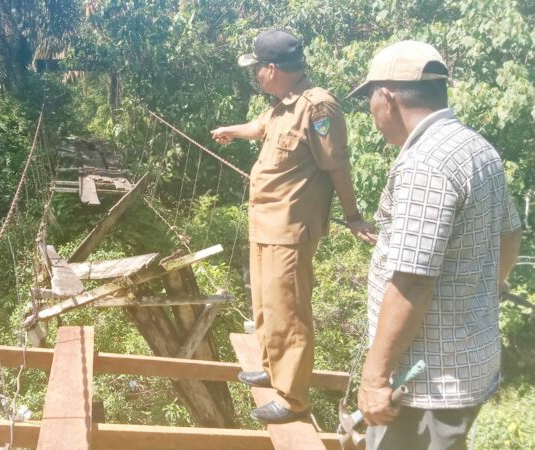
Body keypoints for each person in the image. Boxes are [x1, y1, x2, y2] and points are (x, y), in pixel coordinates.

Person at [347, 40, 523, 450]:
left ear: (387, 98)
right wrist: (484, 292)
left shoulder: (425, 163)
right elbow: (509, 233)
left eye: (369, 99)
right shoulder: (477, 148)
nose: (371, 112)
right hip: (465, 366)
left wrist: (374, 379)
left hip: (422, 386)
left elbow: (412, 281)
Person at [211, 29, 376, 424]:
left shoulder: (318, 107)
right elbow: (260, 125)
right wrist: (233, 131)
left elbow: (337, 166)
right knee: (266, 305)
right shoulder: (283, 104)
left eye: (256, 70)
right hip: (264, 223)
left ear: (271, 69)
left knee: (289, 312)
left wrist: (352, 217)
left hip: (290, 228)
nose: (254, 77)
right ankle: (271, 367)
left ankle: (292, 399)